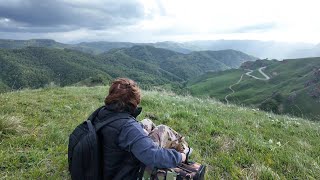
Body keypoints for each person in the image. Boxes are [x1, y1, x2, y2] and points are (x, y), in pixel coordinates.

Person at [93, 78, 187, 179]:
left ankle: (171, 145)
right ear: (134, 101)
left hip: (106, 167)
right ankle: (183, 150)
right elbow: (153, 156)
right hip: (125, 173)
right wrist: (180, 157)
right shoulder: (127, 127)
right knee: (162, 129)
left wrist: (140, 134)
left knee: (147, 122)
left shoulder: (101, 113)